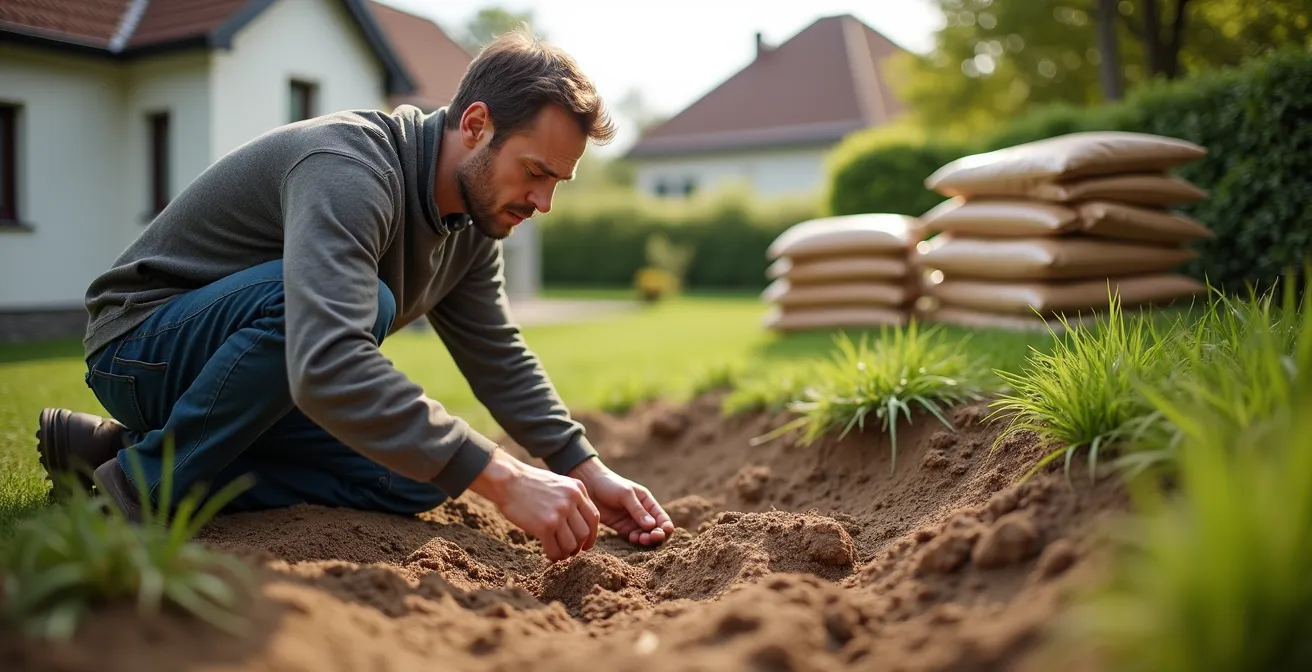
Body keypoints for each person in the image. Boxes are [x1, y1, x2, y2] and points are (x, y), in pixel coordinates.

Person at [35, 27, 674, 563]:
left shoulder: (474, 226)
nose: (544, 203)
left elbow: (497, 354)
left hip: (248, 368)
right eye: (535, 173)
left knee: (411, 473)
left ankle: (116, 454)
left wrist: (583, 468)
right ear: (476, 125)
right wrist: (505, 479)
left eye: (557, 182)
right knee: (368, 305)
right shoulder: (351, 168)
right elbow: (326, 361)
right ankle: (139, 488)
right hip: (141, 344)